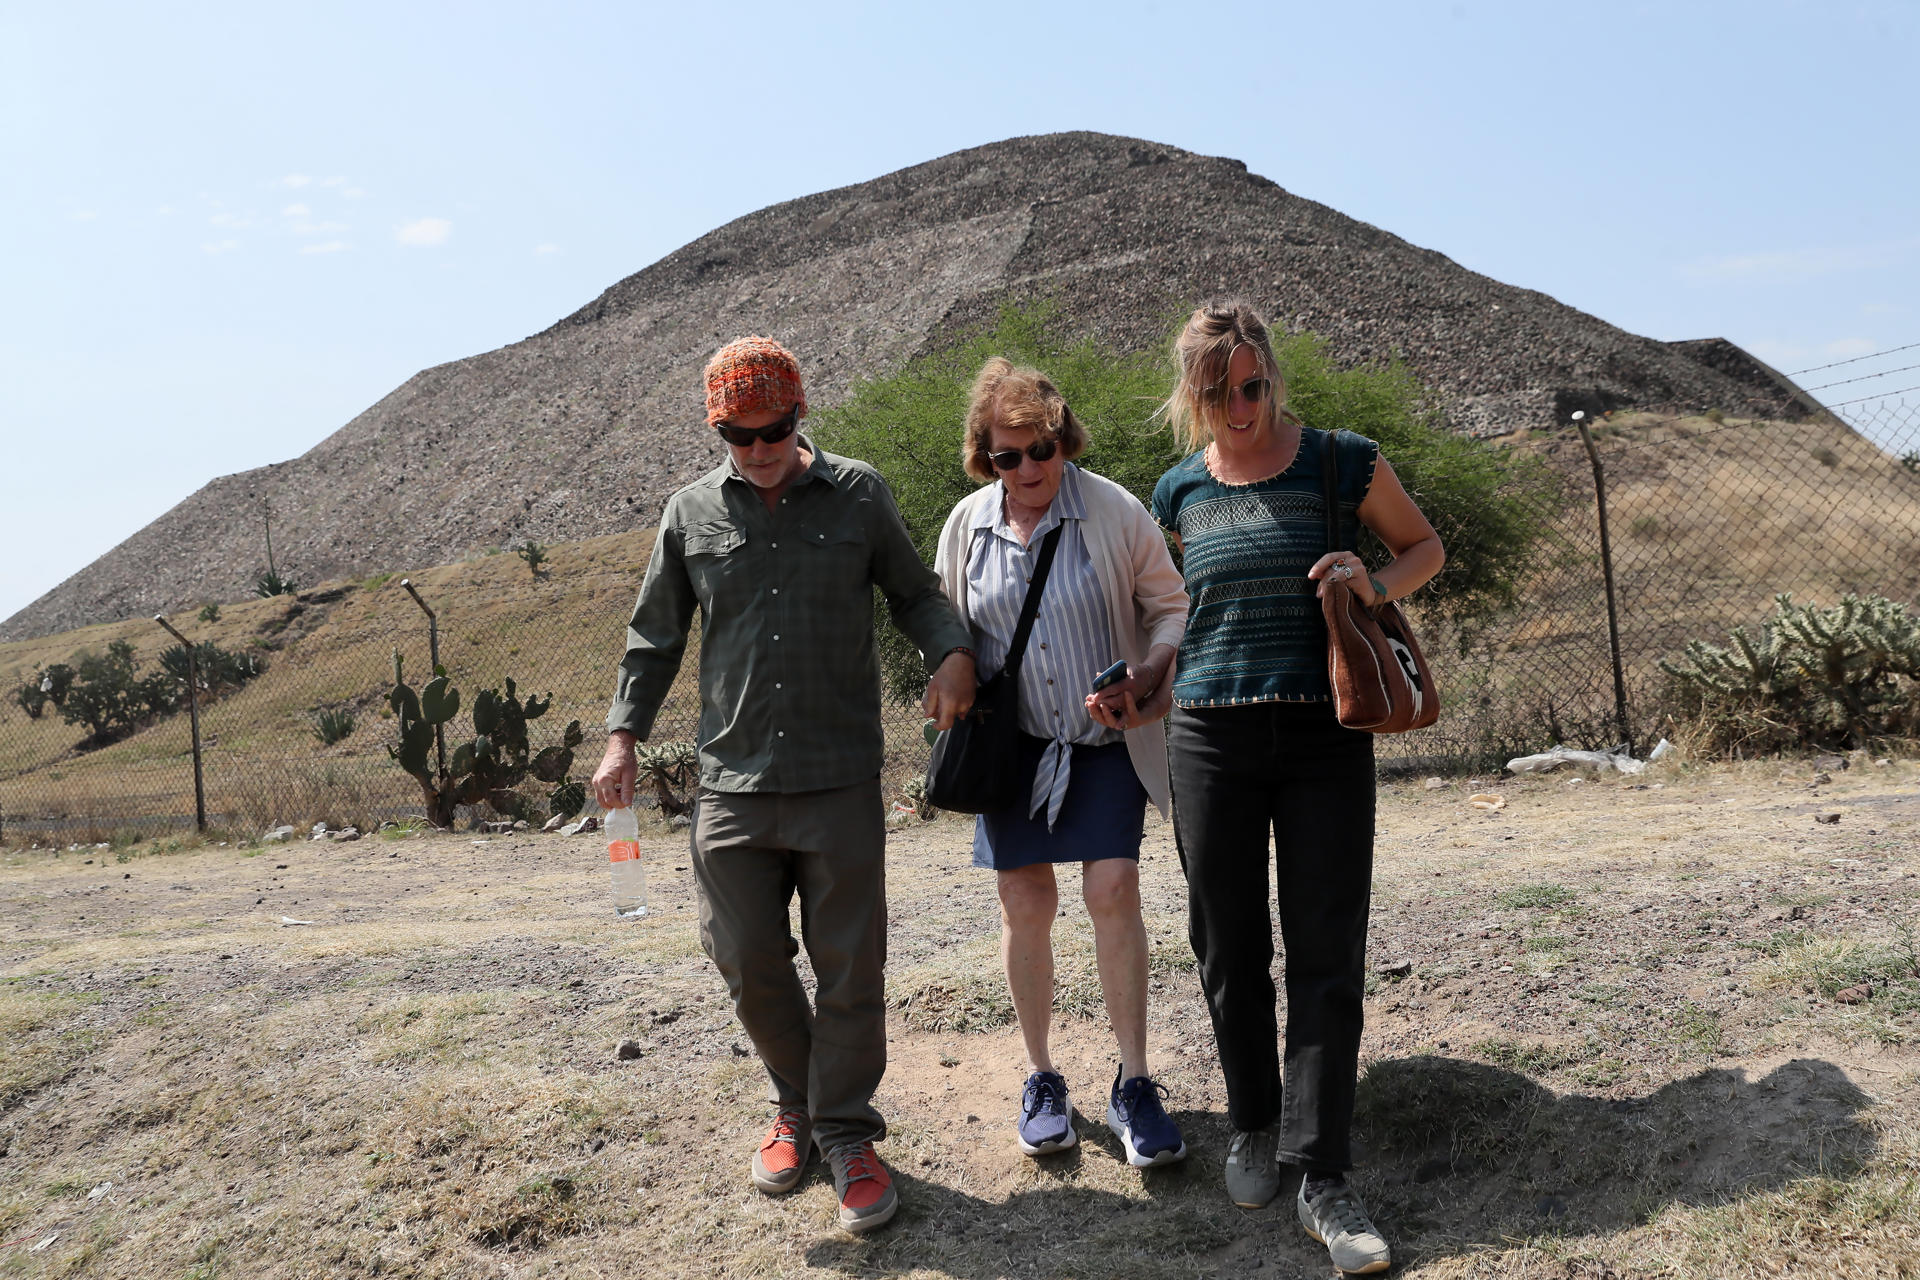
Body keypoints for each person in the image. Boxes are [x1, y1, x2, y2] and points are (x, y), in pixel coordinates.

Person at [591, 335, 977, 1236]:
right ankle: (794, 1103)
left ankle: (845, 1134)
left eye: (775, 431)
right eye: (739, 435)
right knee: (743, 956)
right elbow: (654, 640)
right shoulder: (689, 514)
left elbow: (915, 594)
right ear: (716, 426)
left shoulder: (859, 493)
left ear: (801, 416)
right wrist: (622, 741)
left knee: (850, 967)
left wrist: (952, 651)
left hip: (838, 776)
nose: (760, 451)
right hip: (730, 782)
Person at [1150, 302, 1444, 1275]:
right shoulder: (1178, 487)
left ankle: (1323, 1173)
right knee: (1229, 942)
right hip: (1206, 734)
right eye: (1213, 389)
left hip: (1323, 731)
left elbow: (1423, 548)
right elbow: (1173, 610)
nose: (1236, 406)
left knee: (1326, 947)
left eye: (1250, 385)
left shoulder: (1339, 460)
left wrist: (1374, 580)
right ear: (1190, 394)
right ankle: (1253, 1122)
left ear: (1273, 376)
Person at [932, 358, 1192, 1168]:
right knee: (1024, 901)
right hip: (1014, 750)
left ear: (1063, 438)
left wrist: (1149, 675)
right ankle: (1042, 1076)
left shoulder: (1111, 510)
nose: (1029, 468)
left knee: (1111, 887)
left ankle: (1136, 1082)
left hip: (1103, 741)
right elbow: (945, 624)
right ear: (987, 458)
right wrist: (950, 666)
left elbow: (1171, 606)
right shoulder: (966, 525)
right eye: (1008, 456)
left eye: (1042, 448)